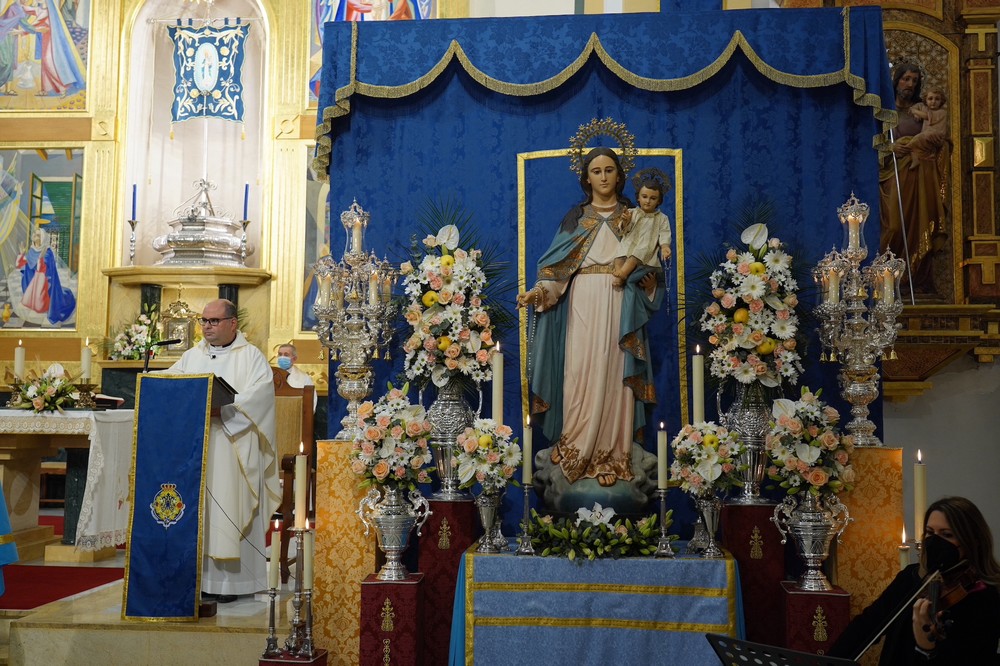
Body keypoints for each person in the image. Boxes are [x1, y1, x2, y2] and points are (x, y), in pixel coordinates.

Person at [516, 147, 662, 489]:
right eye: (596, 171)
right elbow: (556, 273)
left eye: (610, 170)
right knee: (580, 371)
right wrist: (536, 293)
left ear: (619, 175)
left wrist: (651, 283)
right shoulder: (576, 219)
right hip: (582, 301)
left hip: (620, 303)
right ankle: (576, 447)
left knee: (615, 373)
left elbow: (649, 261)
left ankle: (611, 454)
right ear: (587, 178)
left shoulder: (636, 216)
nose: (604, 177)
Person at [161, 299, 280, 603]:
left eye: (214, 321)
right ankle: (199, 579)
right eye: (204, 321)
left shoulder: (251, 357)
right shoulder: (191, 356)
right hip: (196, 445)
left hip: (233, 446)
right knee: (197, 510)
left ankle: (232, 585)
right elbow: (170, 383)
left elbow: (260, 396)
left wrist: (224, 412)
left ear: (232, 323)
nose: (207, 327)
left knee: (230, 504)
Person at [830, 496, 1000, 664]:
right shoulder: (911, 576)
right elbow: (868, 623)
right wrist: (831, 660)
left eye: (947, 535)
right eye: (930, 532)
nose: (935, 541)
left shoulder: (985, 594)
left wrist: (926, 647)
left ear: (972, 541)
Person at [879, 62, 949, 295]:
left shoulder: (922, 111)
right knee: (893, 226)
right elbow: (866, 143)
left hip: (920, 176)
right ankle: (884, 279)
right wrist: (889, 148)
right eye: (906, 79)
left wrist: (915, 145)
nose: (910, 84)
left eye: (914, 80)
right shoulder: (882, 109)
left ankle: (913, 280)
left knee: (919, 227)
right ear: (896, 79)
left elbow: (940, 139)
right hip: (891, 174)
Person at [612, 168, 673, 289]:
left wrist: (665, 246)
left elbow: (665, 233)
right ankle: (618, 273)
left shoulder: (662, 218)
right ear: (638, 198)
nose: (648, 201)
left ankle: (622, 274)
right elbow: (623, 231)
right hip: (629, 244)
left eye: (653, 198)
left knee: (636, 255)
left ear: (659, 201)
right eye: (644, 197)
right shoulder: (632, 212)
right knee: (619, 253)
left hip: (646, 249)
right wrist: (625, 221)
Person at [16, 228, 76, 325]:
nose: (35, 235)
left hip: (44, 282)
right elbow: (21, 265)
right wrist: (22, 254)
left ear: (42, 238)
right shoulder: (32, 250)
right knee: (30, 302)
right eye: (35, 233)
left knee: (40, 305)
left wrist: (40, 259)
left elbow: (44, 270)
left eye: (38, 235)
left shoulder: (47, 252)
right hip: (33, 281)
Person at [907, 87, 948, 169]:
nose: (933, 101)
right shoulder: (924, 108)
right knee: (914, 141)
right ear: (925, 100)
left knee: (918, 138)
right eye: (930, 98)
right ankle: (915, 159)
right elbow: (913, 107)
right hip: (927, 136)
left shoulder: (942, 112)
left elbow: (926, 116)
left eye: (937, 99)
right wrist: (915, 113)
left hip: (936, 136)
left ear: (941, 101)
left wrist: (915, 112)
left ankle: (906, 148)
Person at [275, 343, 317, 410]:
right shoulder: (270, 375)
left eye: (286, 355)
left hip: (295, 416)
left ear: (294, 359)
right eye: (280, 354)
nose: (282, 357)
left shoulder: (304, 378)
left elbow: (312, 401)